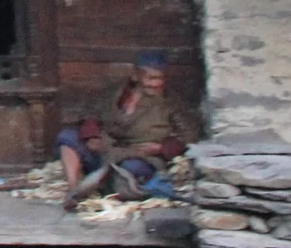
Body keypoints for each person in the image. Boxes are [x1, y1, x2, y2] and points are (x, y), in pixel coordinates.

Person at [58, 49, 194, 207]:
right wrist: (92, 135)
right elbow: (90, 113)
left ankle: (101, 185)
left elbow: (189, 133)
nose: (156, 83)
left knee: (132, 168)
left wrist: (162, 148)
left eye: (160, 78)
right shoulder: (115, 93)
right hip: (106, 148)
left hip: (140, 155)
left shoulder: (170, 102)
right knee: (68, 136)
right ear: (136, 75)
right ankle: (74, 188)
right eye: (150, 78)